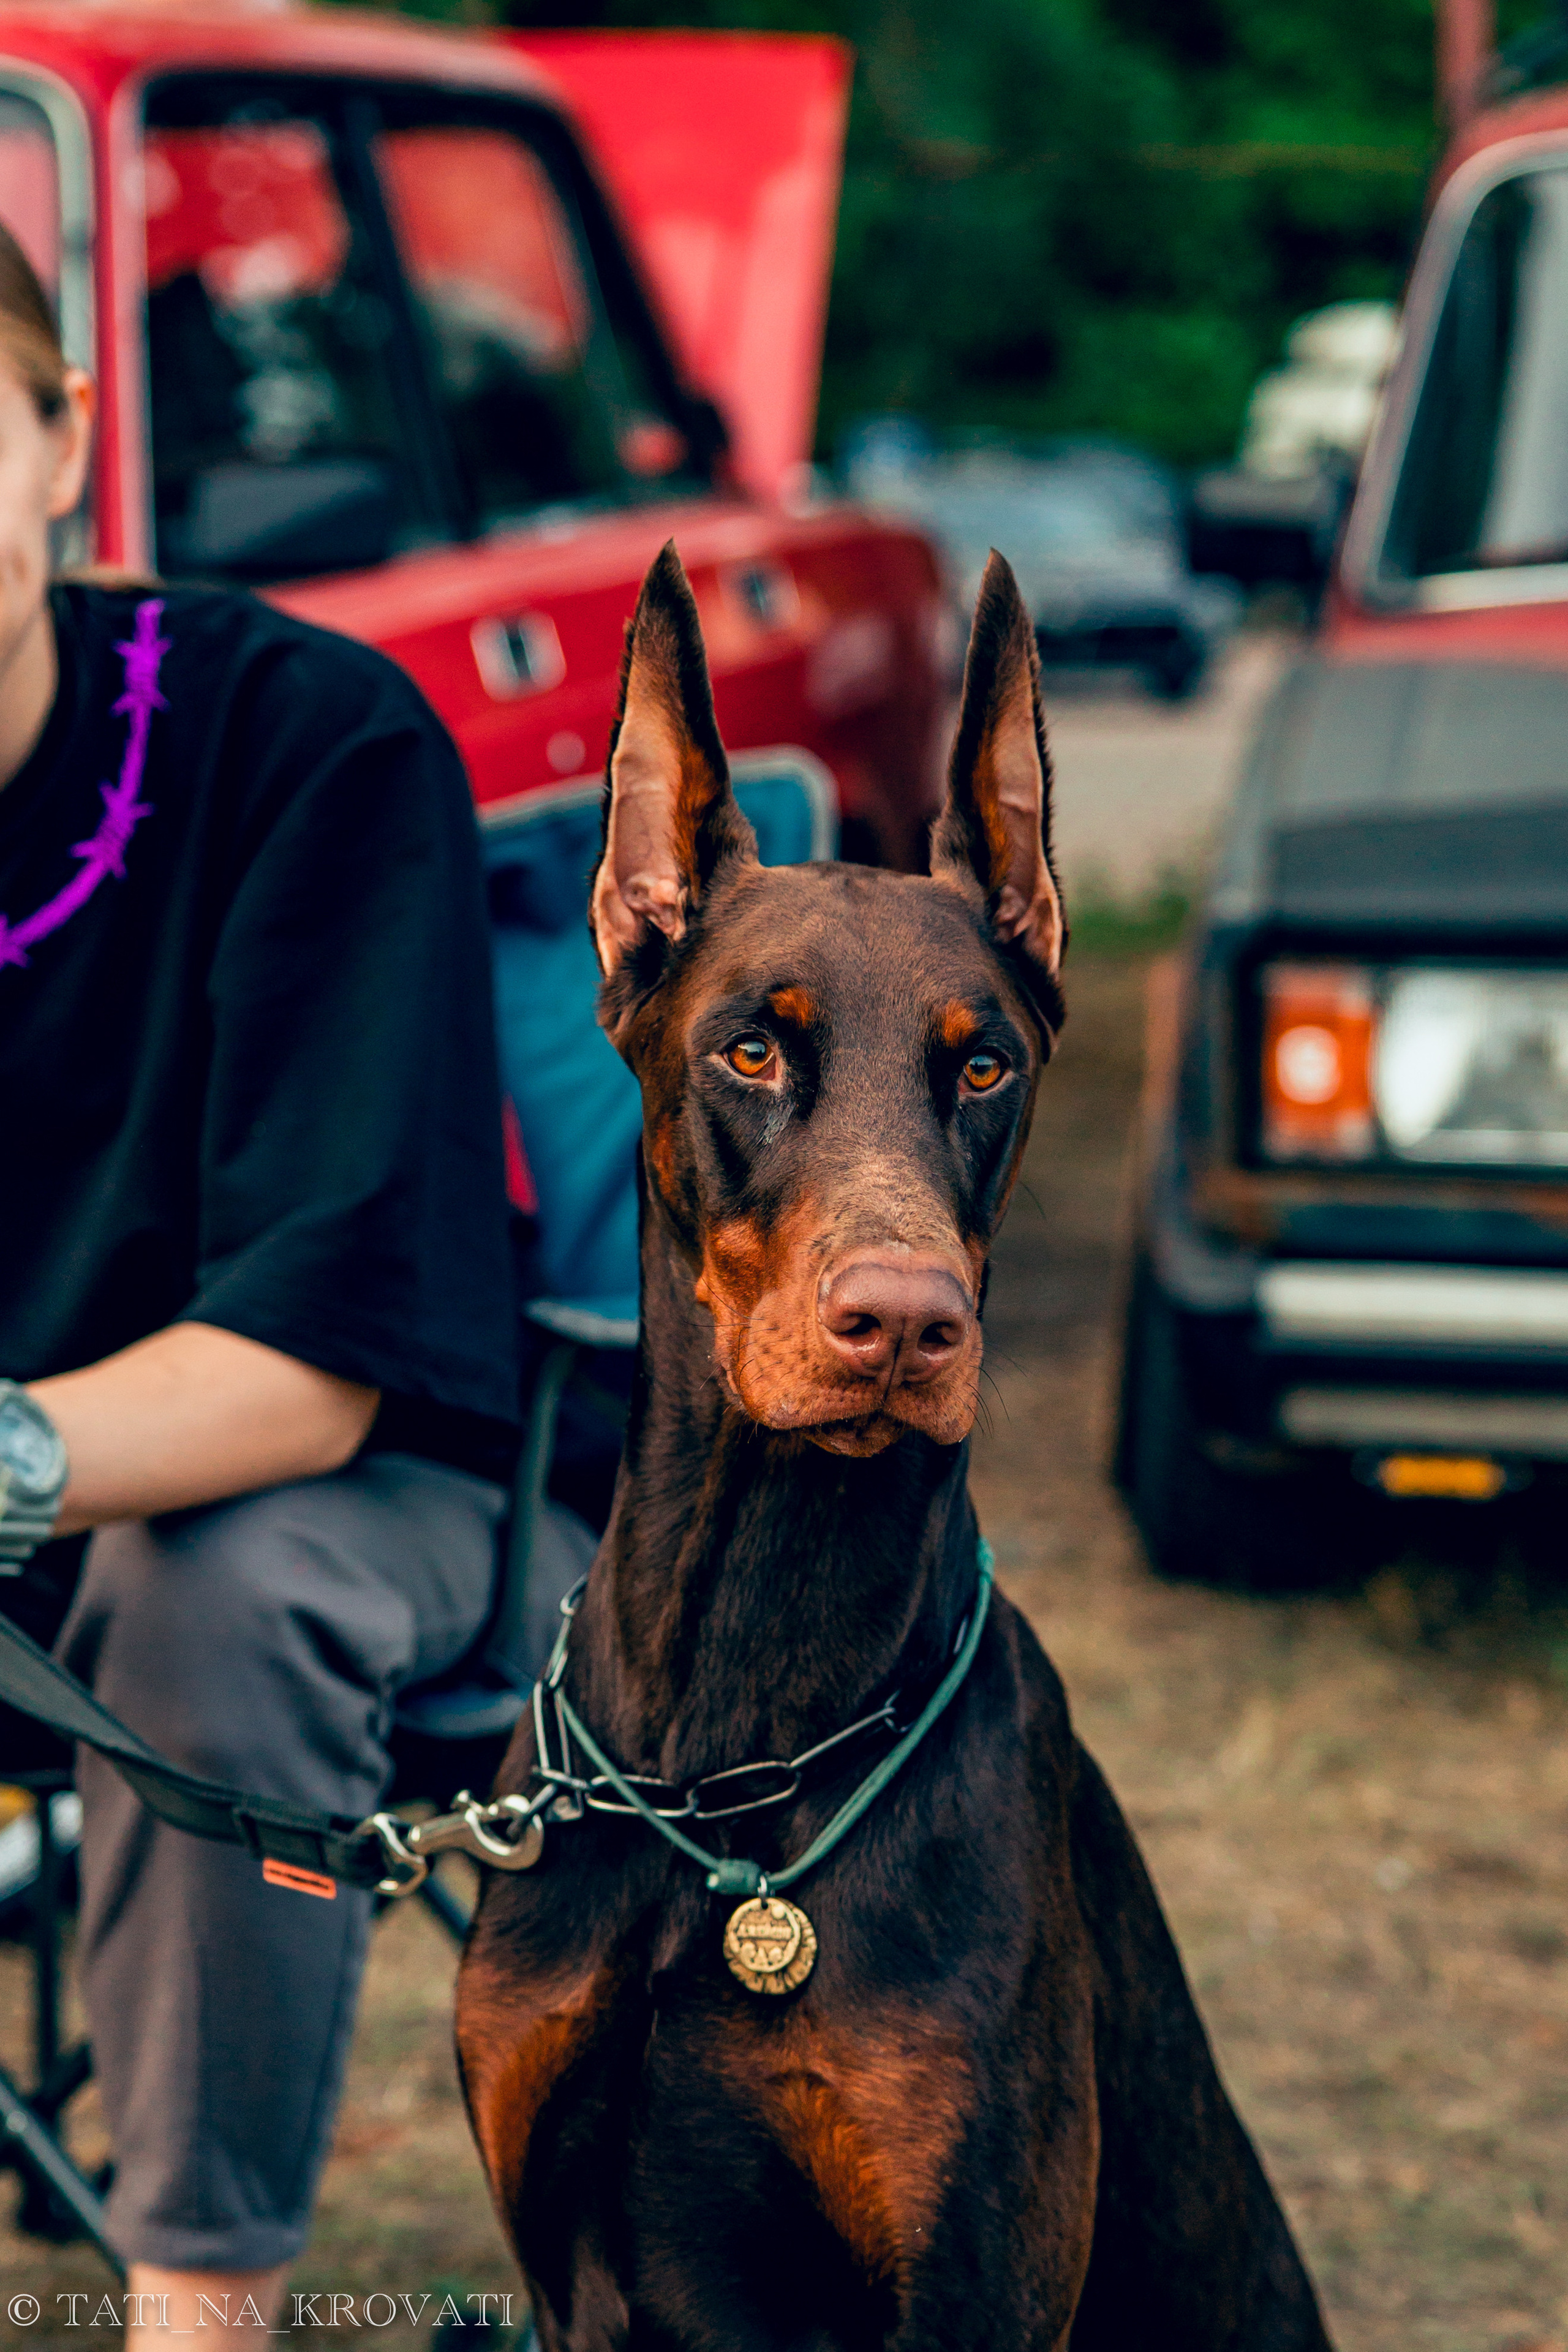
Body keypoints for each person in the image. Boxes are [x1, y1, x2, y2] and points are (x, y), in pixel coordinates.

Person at [0, 221, 519, 2344]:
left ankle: (198, 2313)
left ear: (59, 445)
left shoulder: (300, 741)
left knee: (217, 1585)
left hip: (346, 1497)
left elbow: (305, 1375)